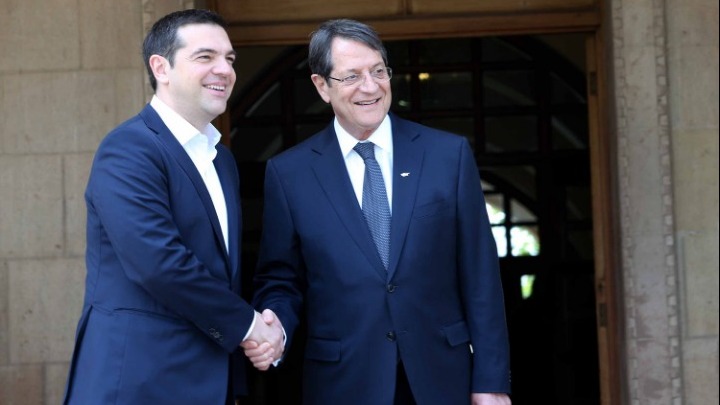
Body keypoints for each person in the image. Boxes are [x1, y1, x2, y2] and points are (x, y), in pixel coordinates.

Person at [245, 18, 512, 405]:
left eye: (378, 71)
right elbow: (281, 278)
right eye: (352, 76)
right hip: (344, 382)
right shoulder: (289, 174)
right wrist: (276, 328)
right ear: (322, 86)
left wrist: (491, 380)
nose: (370, 87)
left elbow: (480, 274)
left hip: (442, 377)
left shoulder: (447, 155)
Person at [62, 9, 283, 405]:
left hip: (210, 381)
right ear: (161, 68)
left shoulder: (221, 159)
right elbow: (158, 263)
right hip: (139, 381)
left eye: (229, 58)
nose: (224, 69)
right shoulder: (129, 149)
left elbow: (222, 273)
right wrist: (250, 326)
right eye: (205, 57)